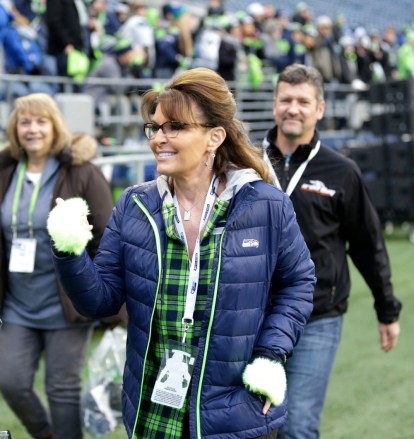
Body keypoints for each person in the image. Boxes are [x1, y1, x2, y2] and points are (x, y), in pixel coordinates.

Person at [47, 67, 315, 439]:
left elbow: (299, 283)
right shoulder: (135, 205)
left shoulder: (266, 205)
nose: (159, 138)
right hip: (155, 412)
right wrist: (70, 249)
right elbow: (100, 301)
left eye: (175, 127)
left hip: (238, 412)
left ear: (214, 137)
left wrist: (271, 354)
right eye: (155, 127)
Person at [261, 64, 402, 439]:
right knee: (253, 426)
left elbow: (367, 243)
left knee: (298, 426)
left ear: (320, 109)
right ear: (274, 104)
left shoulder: (342, 171)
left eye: (303, 101)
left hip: (317, 316)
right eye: (285, 99)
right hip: (253, 315)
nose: (293, 108)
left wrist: (386, 309)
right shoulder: (246, 163)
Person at [0, 93, 118, 439]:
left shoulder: (81, 172)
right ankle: (45, 434)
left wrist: (113, 305)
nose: (33, 129)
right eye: (25, 122)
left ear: (55, 127)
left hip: (67, 303)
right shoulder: (5, 170)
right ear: (15, 128)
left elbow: (108, 240)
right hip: (18, 303)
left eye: (41, 121)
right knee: (10, 379)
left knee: (61, 389)